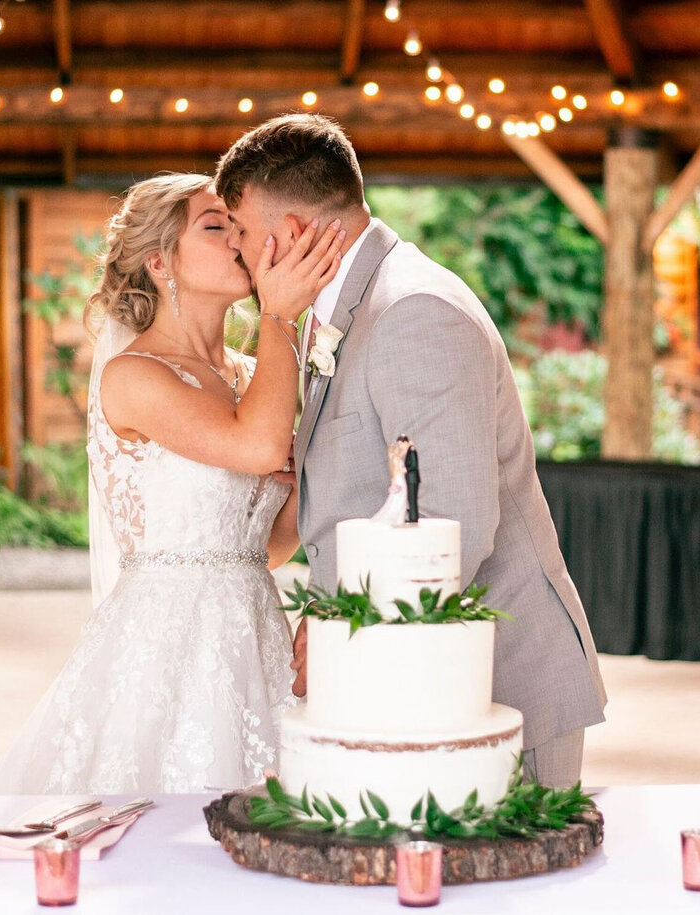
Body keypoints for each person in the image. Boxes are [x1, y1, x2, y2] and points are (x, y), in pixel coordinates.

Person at [215, 114, 608, 788]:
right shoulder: (348, 308)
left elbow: (452, 523)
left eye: (244, 235)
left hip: (491, 690)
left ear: (292, 235)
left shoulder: (412, 311)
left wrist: (341, 625)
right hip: (414, 680)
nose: (238, 255)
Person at [0, 173, 344, 793]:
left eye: (238, 225)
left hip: (255, 628)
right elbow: (259, 446)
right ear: (160, 261)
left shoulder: (248, 374)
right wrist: (283, 314)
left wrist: (297, 484)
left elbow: (262, 547)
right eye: (216, 227)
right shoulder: (135, 376)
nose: (239, 240)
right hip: (167, 645)